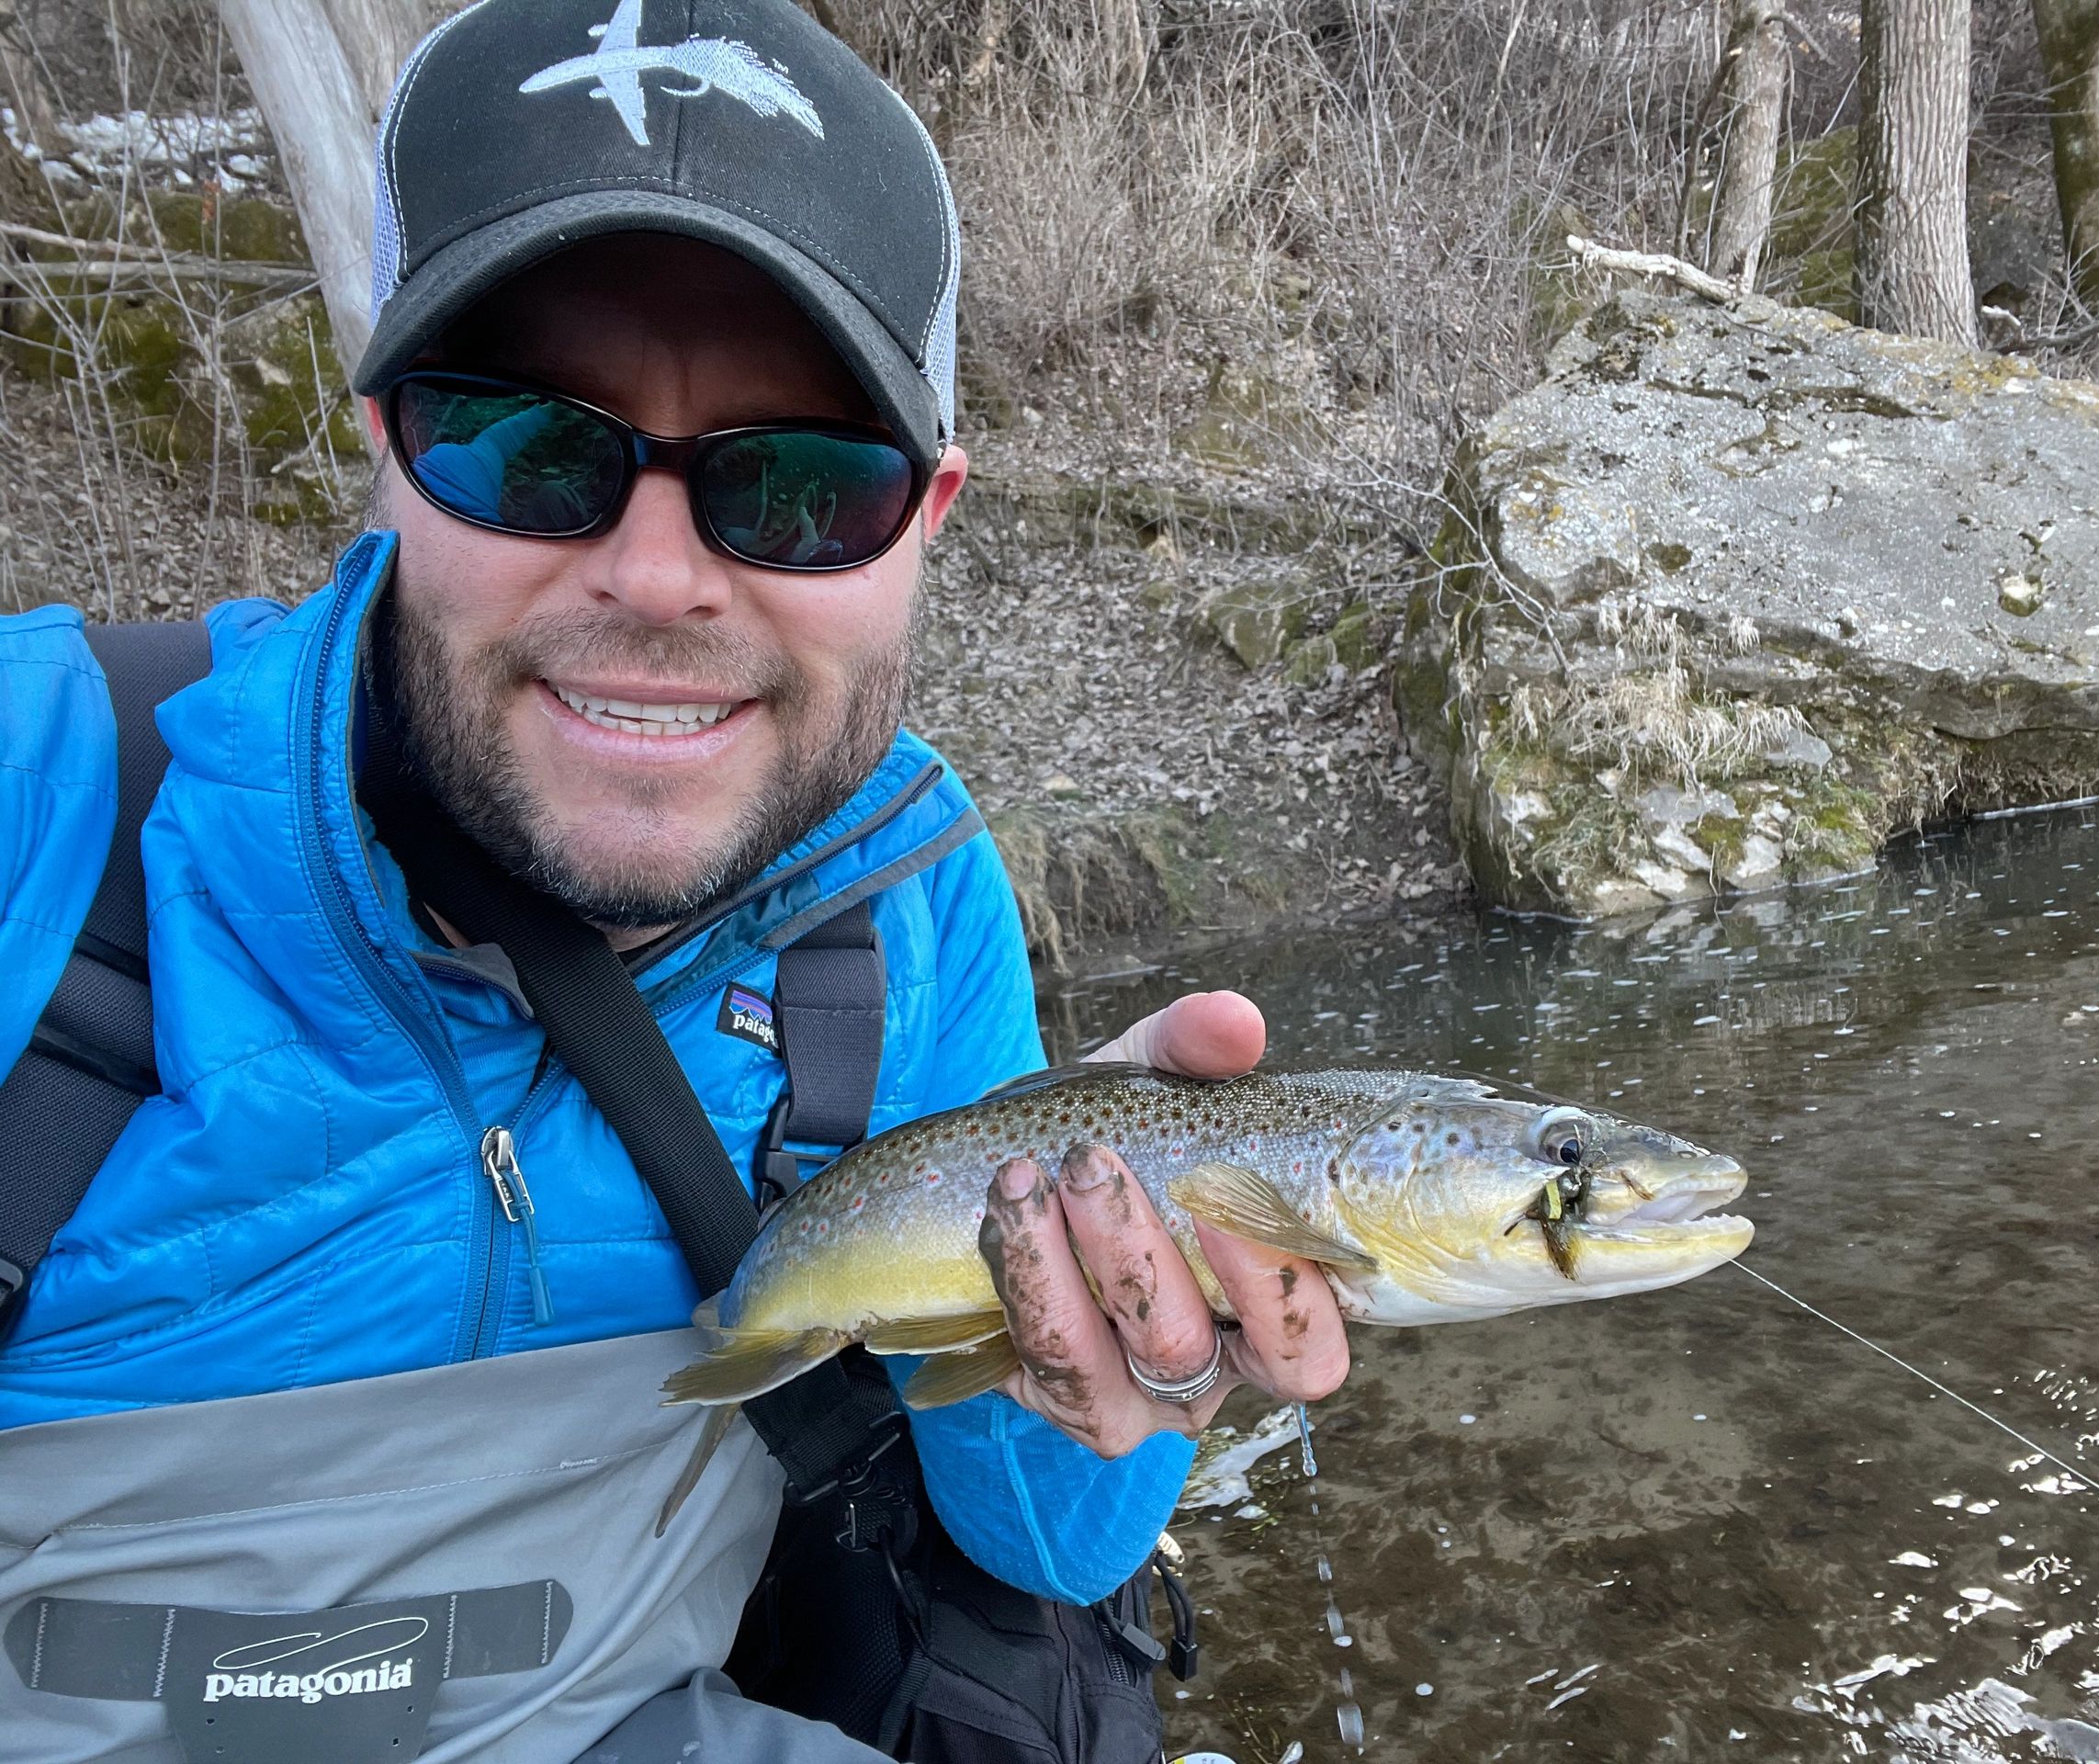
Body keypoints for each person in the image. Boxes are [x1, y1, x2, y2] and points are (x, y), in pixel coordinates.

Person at [0, 2, 1349, 1758]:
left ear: (928, 518)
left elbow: (1037, 1553)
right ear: (391, 449)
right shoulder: (44, 787)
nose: (655, 576)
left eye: (797, 485)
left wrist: (1095, 1331)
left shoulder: (910, 899)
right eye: (526, 448)